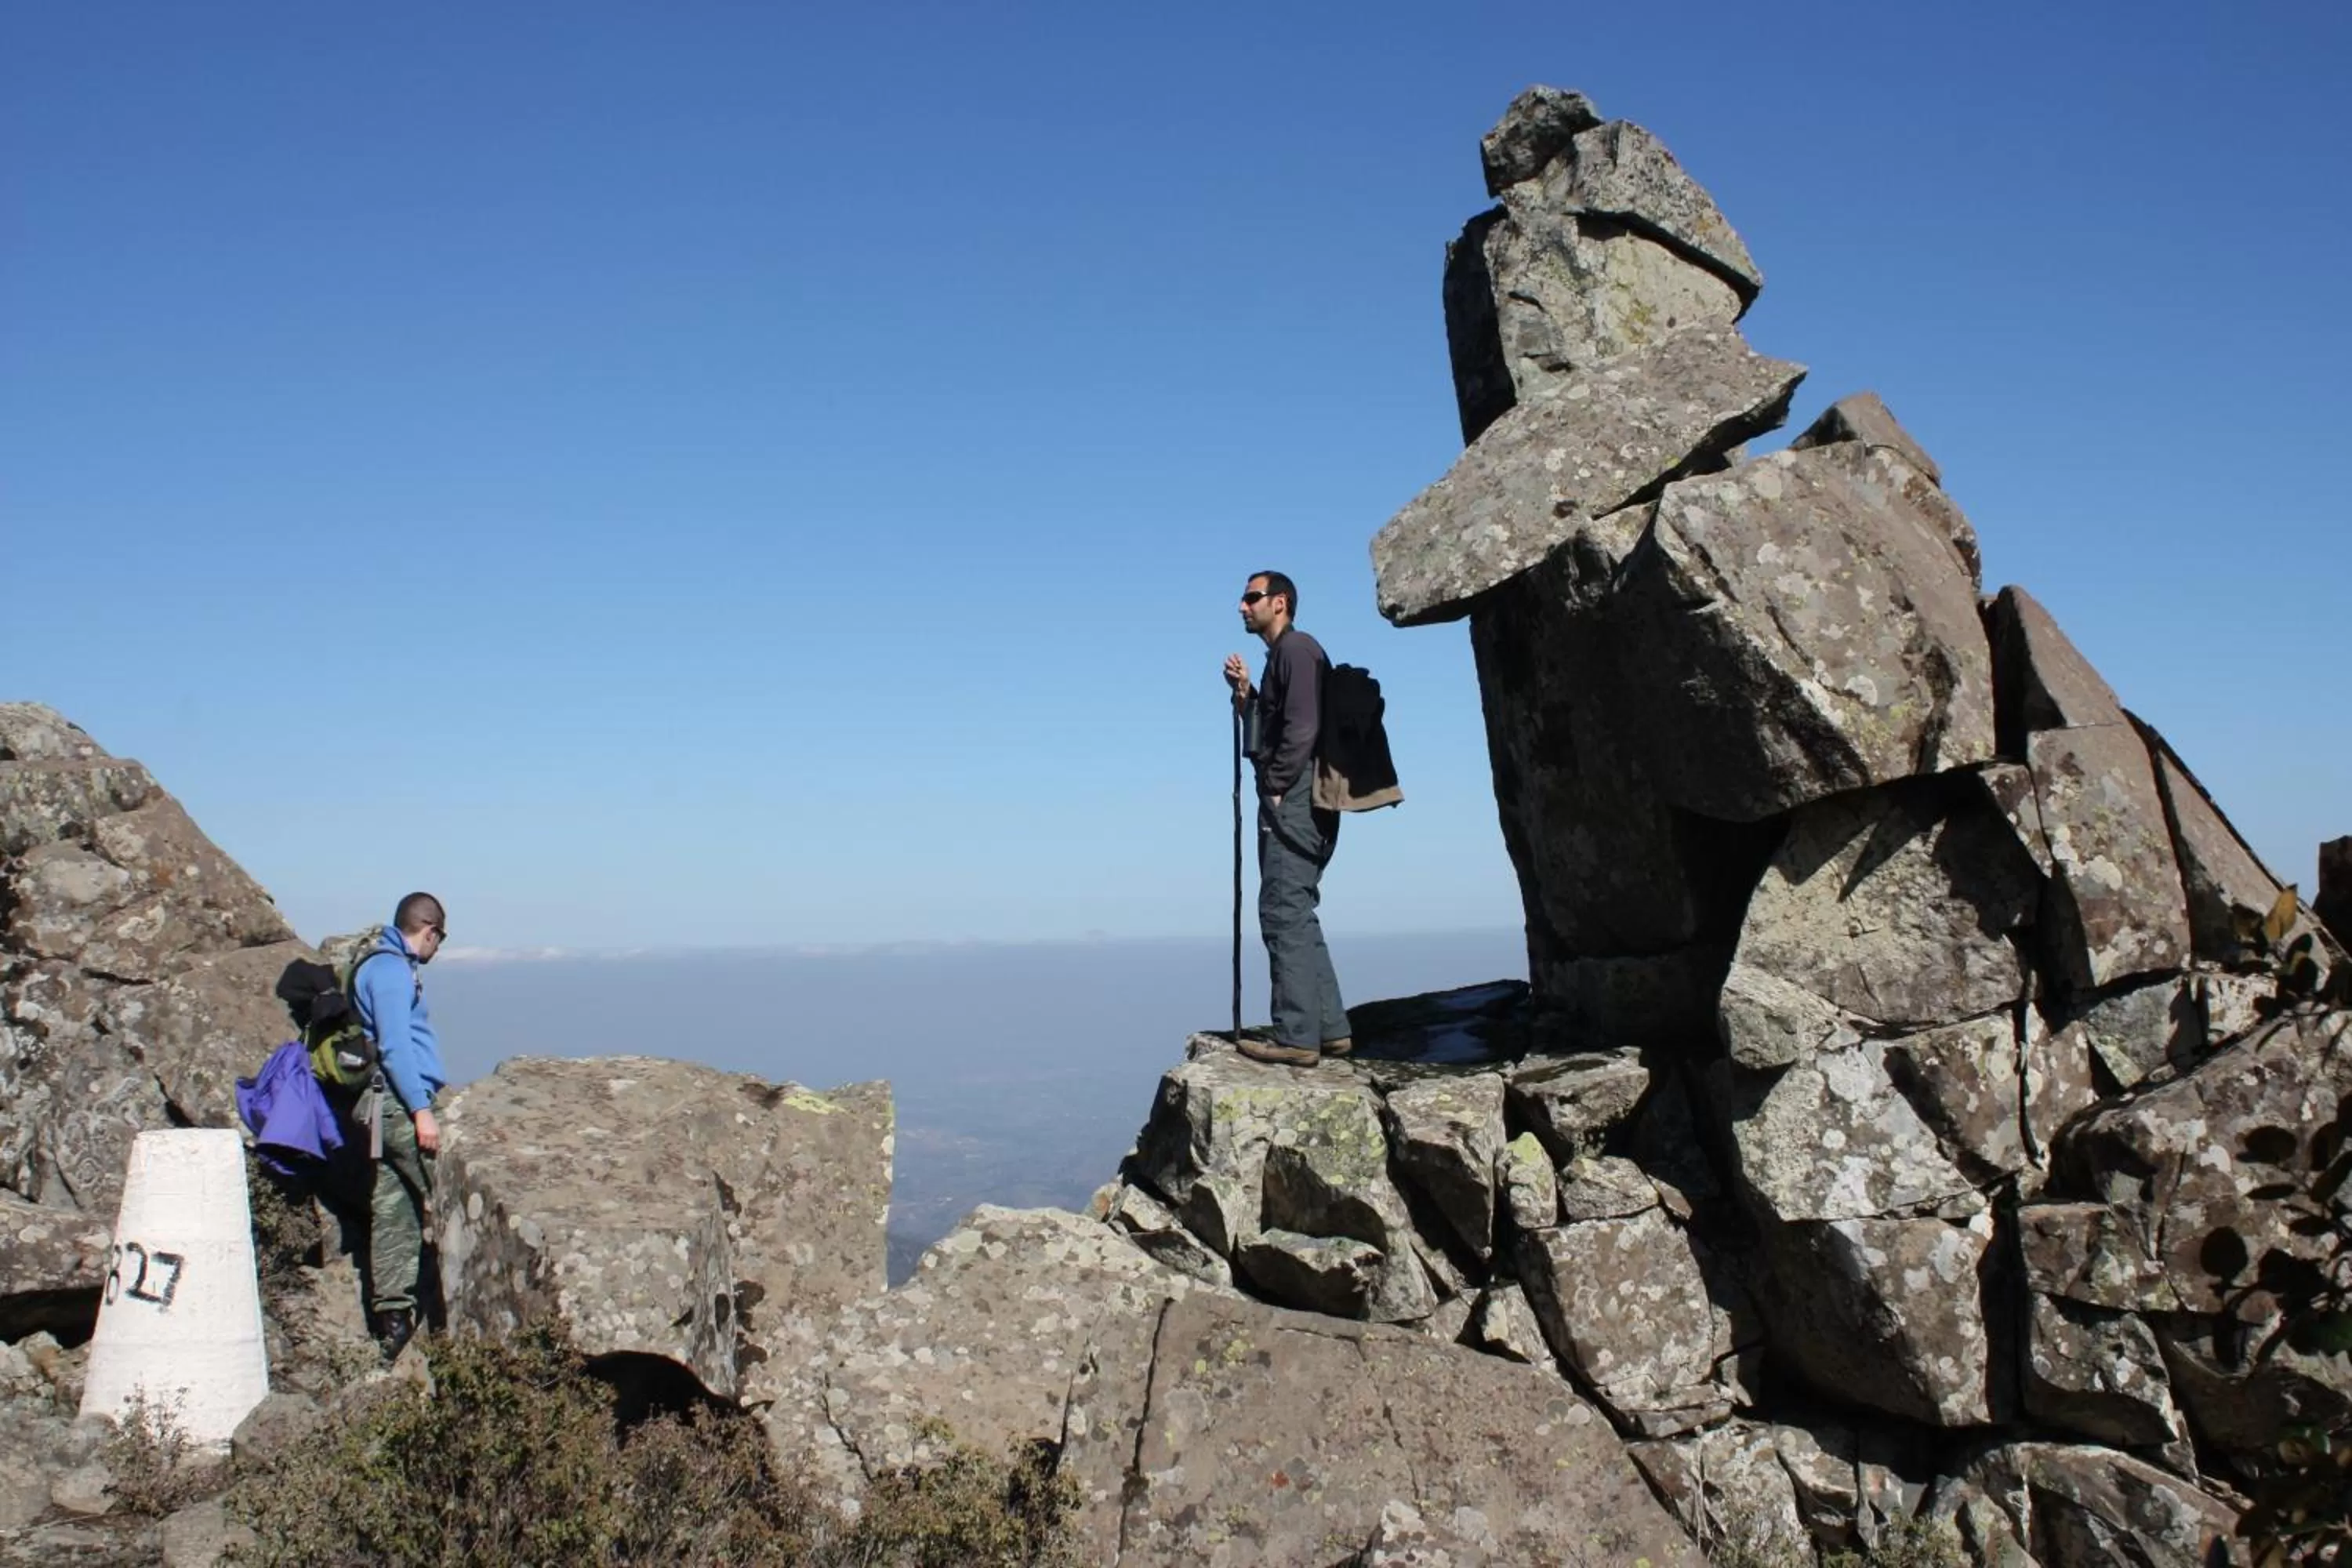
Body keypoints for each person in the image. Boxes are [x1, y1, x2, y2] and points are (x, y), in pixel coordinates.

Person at [1223, 572, 1352, 1067]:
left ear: (1279, 603)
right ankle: (1330, 1028)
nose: (1241, 606)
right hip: (1300, 791)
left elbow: (1303, 726)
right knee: (1296, 908)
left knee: (1281, 910)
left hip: (1295, 792)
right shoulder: (1285, 656)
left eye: (1251, 597)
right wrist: (1246, 696)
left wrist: (1276, 785)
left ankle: (1298, 1036)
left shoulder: (1297, 649)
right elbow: (1280, 724)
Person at [347, 891, 448, 1361]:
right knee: (446, 1195)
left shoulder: (377, 965)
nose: (437, 950)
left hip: (383, 1105)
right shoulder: (390, 971)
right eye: (439, 939)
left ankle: (393, 1325)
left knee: (396, 1207)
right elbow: (395, 1047)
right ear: (428, 930)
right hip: (401, 1105)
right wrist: (421, 1110)